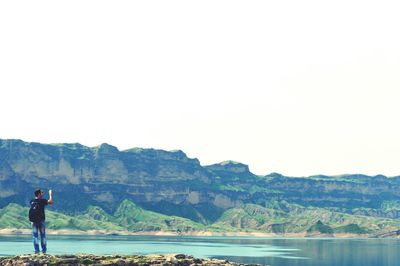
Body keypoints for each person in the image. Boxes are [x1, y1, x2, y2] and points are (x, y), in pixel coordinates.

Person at [29, 189, 53, 254]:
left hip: (33, 221)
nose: (42, 194)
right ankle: (44, 251)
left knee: (35, 236)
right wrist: (50, 194)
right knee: (43, 236)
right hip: (41, 221)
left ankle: (37, 251)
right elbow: (51, 202)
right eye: (41, 193)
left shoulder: (32, 201)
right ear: (39, 194)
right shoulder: (42, 201)